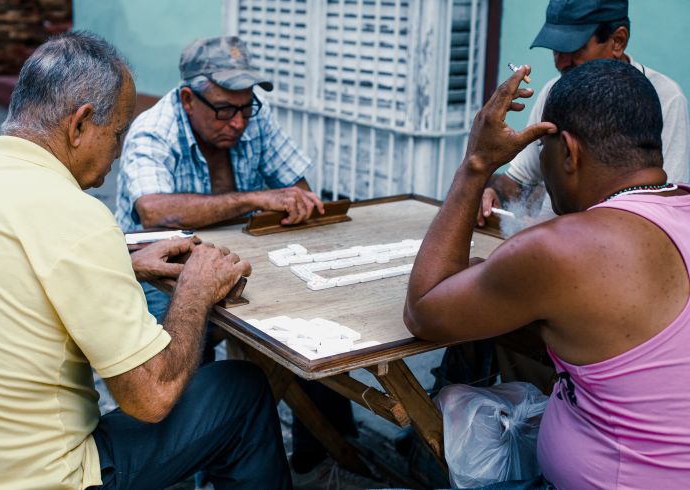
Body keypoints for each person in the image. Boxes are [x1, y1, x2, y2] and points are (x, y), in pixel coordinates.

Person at [0, 31, 291, 489]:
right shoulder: (75, 216)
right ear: (80, 124)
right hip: (45, 477)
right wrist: (194, 289)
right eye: (116, 135)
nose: (117, 152)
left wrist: (121, 261)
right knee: (241, 389)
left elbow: (9, 272)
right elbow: (151, 398)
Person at [406, 60, 690, 488]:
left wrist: (476, 163)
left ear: (568, 152)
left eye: (542, 149)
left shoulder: (563, 247)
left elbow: (424, 310)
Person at [115, 35, 357, 482]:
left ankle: (324, 454)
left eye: (247, 107)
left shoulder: (250, 119)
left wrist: (297, 200)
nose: (239, 121)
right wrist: (259, 198)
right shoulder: (154, 130)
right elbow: (154, 209)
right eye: (225, 109)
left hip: (239, 263)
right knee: (182, 377)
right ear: (189, 99)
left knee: (314, 329)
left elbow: (297, 188)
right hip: (158, 278)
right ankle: (193, 465)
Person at [479, 0, 690, 225]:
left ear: (618, 41)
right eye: (555, 50)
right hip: (549, 248)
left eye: (573, 48)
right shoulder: (555, 91)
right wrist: (491, 194)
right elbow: (519, 182)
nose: (561, 62)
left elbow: (662, 210)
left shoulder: (665, 99)